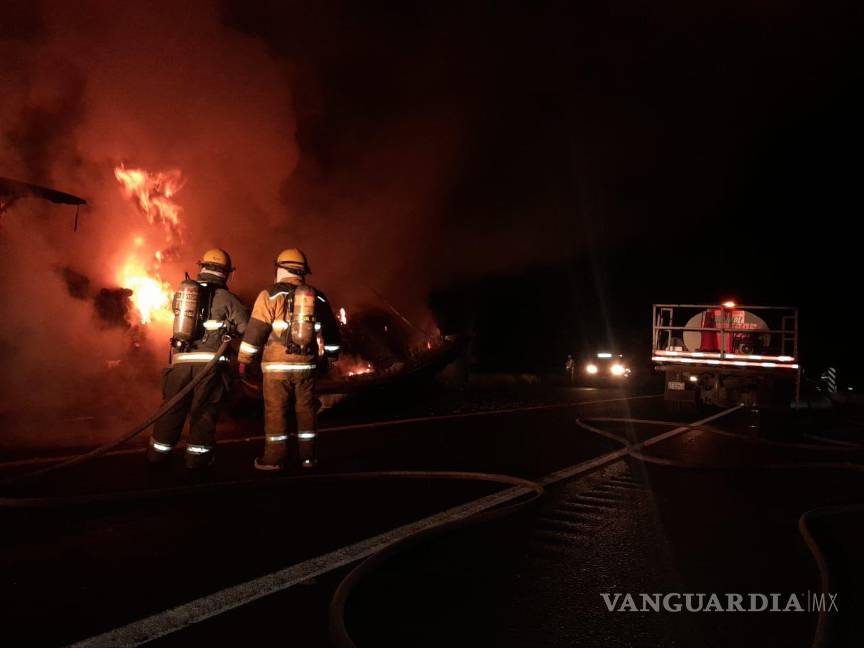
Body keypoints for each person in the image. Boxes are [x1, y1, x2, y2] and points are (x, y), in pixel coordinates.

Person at [238, 248, 341, 470]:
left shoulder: (269, 295)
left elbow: (255, 331)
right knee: (306, 411)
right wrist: (331, 356)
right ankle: (308, 458)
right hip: (306, 366)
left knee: (276, 411)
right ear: (302, 271)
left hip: (276, 369)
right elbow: (332, 332)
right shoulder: (317, 296)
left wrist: (245, 359)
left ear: (280, 269)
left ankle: (275, 459)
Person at [146, 248, 249, 470]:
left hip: (180, 363)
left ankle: (157, 456)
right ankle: (196, 461)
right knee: (204, 411)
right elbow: (246, 328)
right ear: (226, 273)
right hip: (209, 368)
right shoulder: (227, 298)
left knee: (171, 409)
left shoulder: (183, 294)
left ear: (201, 267)